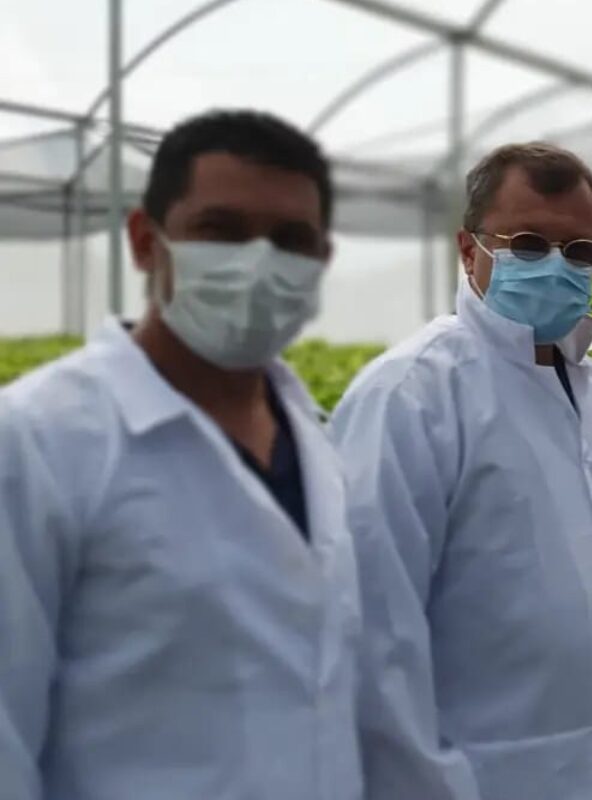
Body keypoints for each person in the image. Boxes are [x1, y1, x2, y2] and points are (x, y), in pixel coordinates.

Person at [0, 110, 361, 799]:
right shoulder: (38, 440)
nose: (258, 264)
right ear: (146, 241)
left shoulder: (314, 440)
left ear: (320, 261)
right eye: (222, 230)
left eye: (290, 240)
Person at [331, 142, 592, 800]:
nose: (557, 266)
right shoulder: (414, 395)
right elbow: (372, 631)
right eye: (528, 244)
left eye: (579, 251)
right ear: (467, 249)